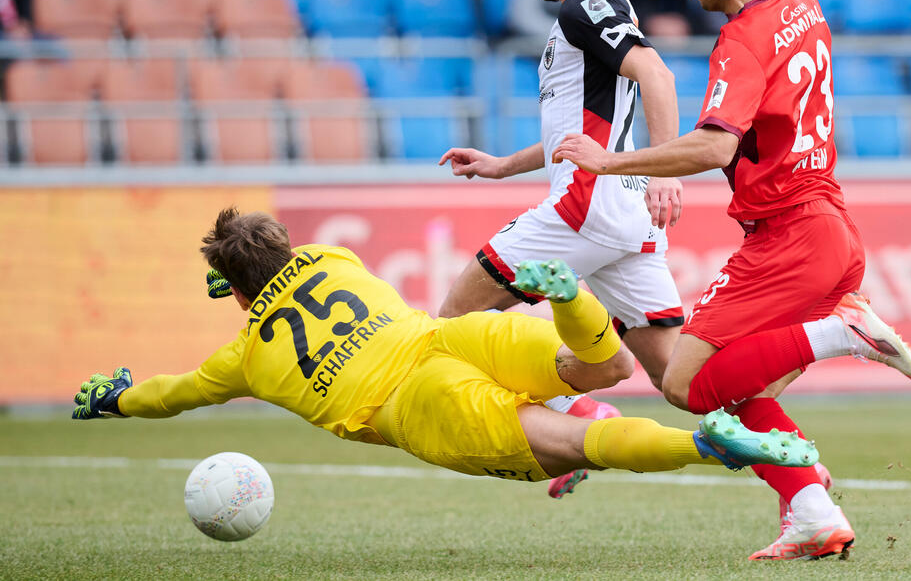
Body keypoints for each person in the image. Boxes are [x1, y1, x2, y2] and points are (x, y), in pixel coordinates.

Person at [552, 0, 911, 560]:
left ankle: (842, 331)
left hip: (791, 237)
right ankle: (812, 508)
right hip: (831, 228)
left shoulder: (742, 43)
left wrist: (612, 164)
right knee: (740, 387)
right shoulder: (802, 2)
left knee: (687, 385)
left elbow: (716, 146)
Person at [71, 208, 820, 502]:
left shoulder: (242, 360)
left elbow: (172, 394)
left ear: (235, 294)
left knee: (565, 444)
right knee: (607, 369)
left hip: (414, 405)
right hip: (452, 336)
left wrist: (116, 398)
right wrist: (238, 268)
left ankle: (703, 443)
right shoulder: (332, 260)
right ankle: (568, 300)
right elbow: (276, 262)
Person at [438, 0, 684, 498]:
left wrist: (664, 171)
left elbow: (656, 73)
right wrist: (501, 166)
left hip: (586, 208)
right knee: (685, 379)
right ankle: (826, 347)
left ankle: (573, 424)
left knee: (450, 325)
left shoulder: (587, 3)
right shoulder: (590, 10)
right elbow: (574, 132)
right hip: (621, 213)